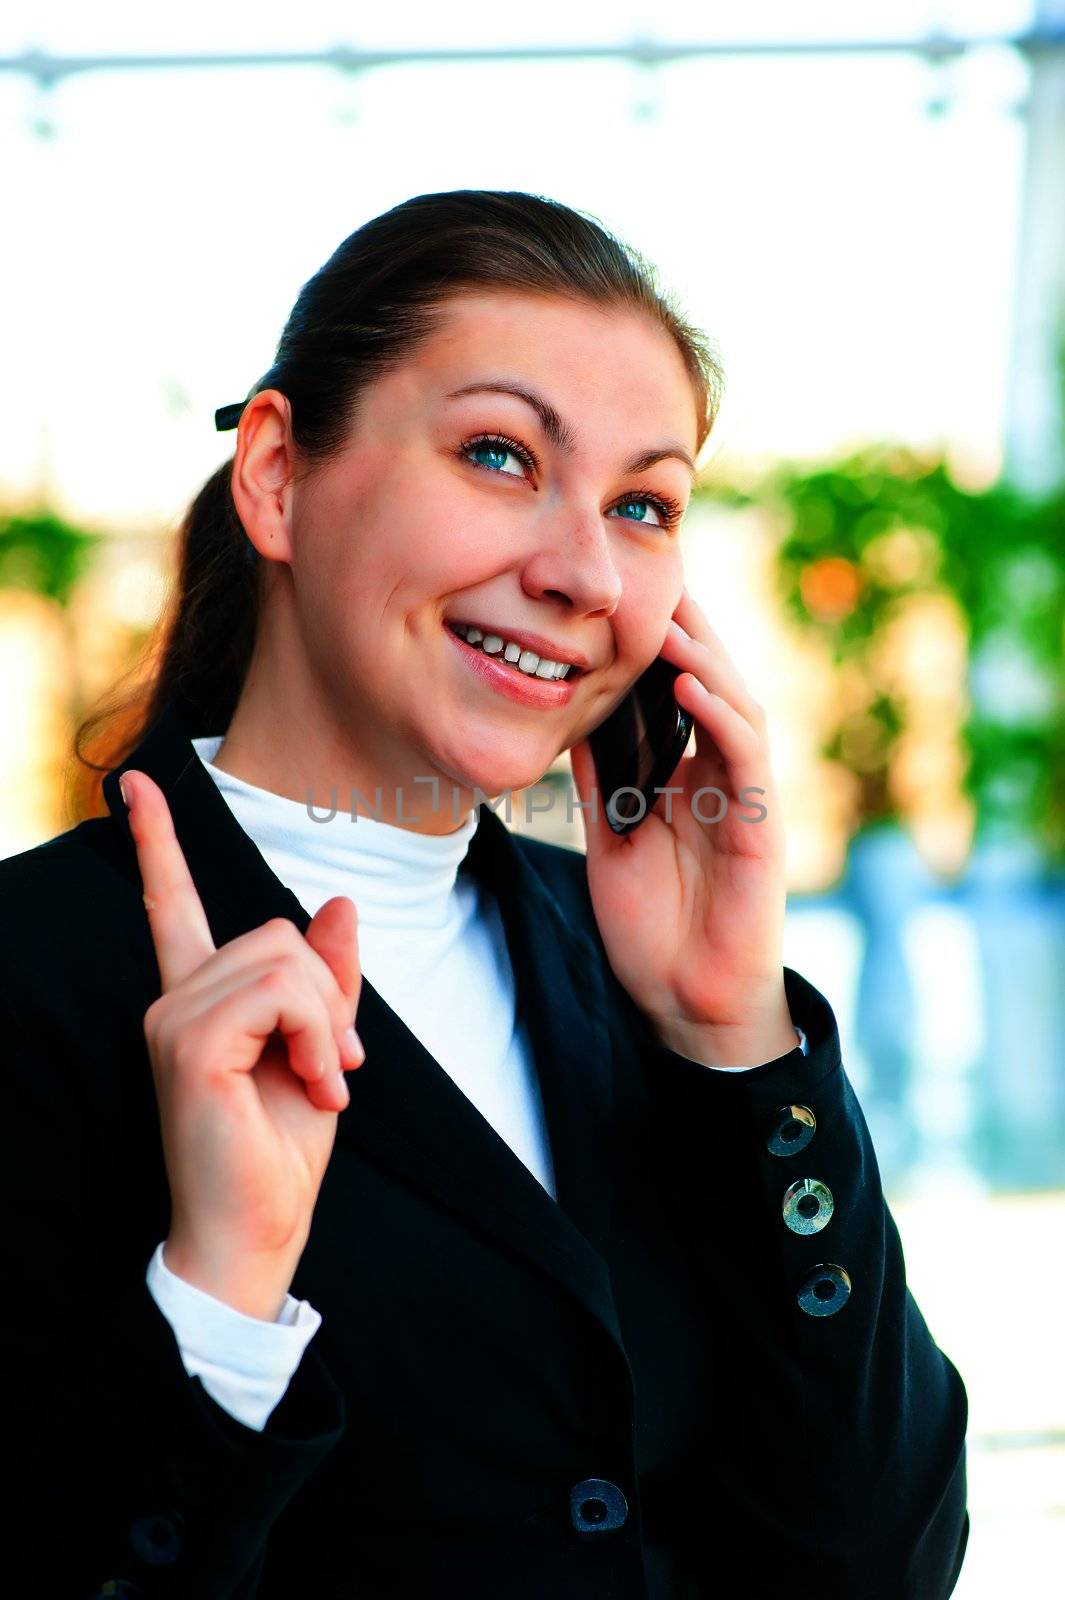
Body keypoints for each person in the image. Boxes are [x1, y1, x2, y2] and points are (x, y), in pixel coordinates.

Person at [1, 189, 969, 1599]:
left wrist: (736, 1043)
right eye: (500, 455)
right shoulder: (35, 977)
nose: (581, 571)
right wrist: (214, 1300)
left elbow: (876, 1560)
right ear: (275, 474)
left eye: (641, 506)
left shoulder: (631, 966)